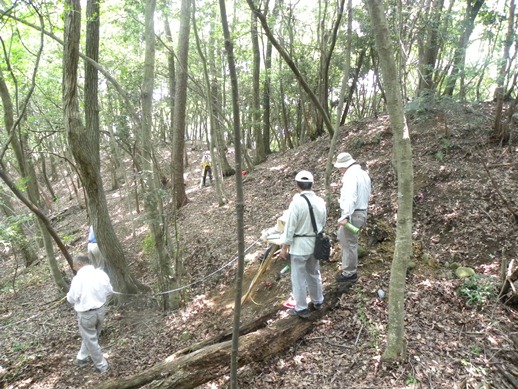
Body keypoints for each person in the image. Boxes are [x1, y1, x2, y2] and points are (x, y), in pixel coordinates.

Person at [279, 170, 327, 318]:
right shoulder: (320, 201)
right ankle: (318, 301)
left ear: (297, 185)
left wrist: (284, 247)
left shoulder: (297, 203)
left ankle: (301, 308)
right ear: (312, 184)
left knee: (298, 277)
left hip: (300, 246)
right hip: (315, 244)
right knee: (313, 273)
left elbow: (290, 227)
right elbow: (323, 222)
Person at [67, 255, 113, 374]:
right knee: (91, 336)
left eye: (75, 266)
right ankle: (82, 357)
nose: (74, 268)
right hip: (100, 311)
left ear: (80, 264)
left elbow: (71, 298)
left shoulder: (78, 279)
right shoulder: (101, 274)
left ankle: (102, 366)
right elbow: (109, 290)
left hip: (86, 314)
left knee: (91, 339)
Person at [334, 152, 372, 284]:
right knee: (346, 240)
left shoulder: (350, 176)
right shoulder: (363, 173)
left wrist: (345, 216)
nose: (339, 170)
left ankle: (349, 273)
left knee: (349, 244)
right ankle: (348, 269)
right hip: (362, 212)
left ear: (344, 166)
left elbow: (351, 197)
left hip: (353, 214)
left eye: (340, 167)